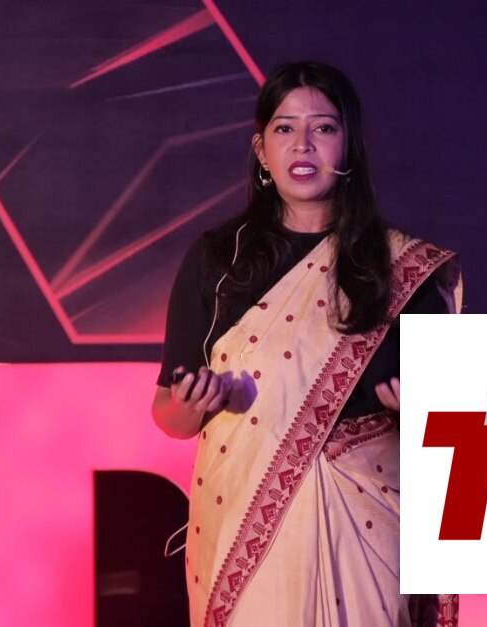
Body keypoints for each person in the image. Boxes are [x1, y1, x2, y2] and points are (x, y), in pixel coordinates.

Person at [151, 61, 462, 627]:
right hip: (243, 525)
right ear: (261, 150)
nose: (303, 144)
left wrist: (425, 419)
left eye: (323, 127)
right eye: (284, 128)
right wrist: (189, 407)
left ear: (349, 147)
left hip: (367, 525)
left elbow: (460, 431)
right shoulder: (218, 259)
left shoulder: (401, 270)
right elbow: (168, 414)